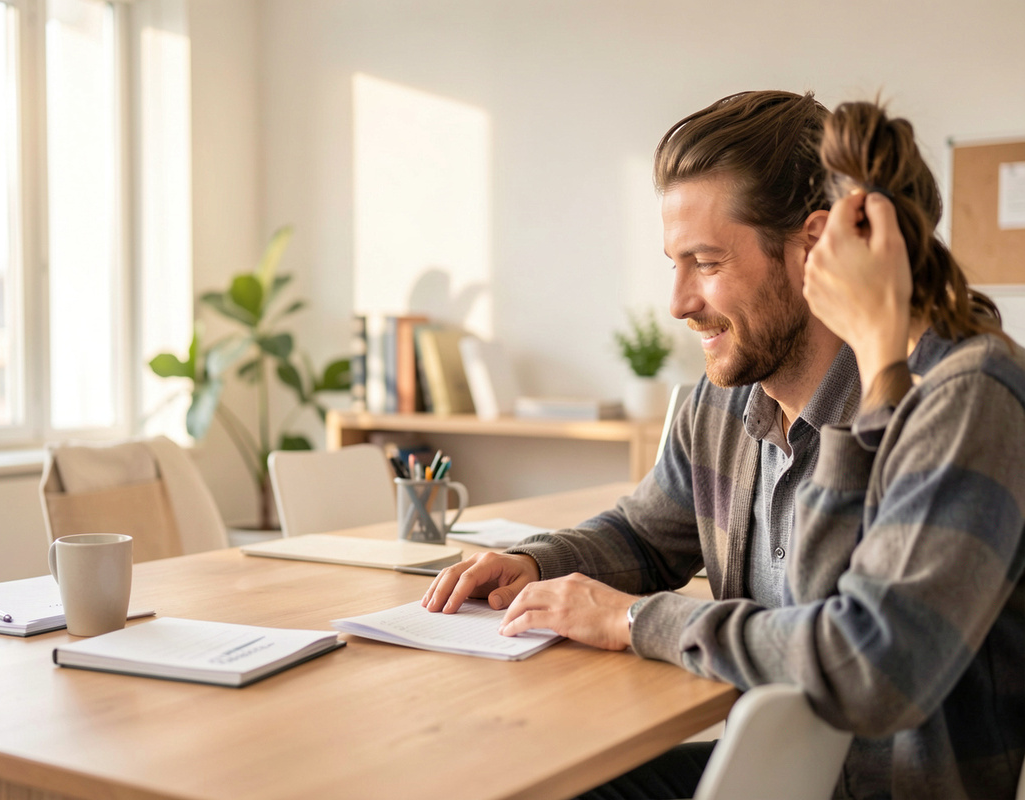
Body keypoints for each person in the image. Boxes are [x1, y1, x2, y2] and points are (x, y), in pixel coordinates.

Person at [425, 95, 1025, 800]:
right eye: (673, 263)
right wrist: (534, 562)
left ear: (814, 248)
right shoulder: (725, 400)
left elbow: (871, 668)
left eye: (705, 262)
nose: (677, 301)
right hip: (779, 778)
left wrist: (631, 619)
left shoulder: (967, 397)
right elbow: (645, 536)